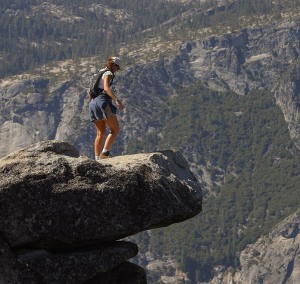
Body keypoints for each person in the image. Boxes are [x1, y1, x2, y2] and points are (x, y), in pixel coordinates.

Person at [89, 56, 124, 160]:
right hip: (102, 101)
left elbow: (91, 91)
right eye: (117, 68)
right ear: (114, 65)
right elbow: (106, 88)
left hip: (93, 103)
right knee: (115, 129)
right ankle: (105, 153)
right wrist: (116, 100)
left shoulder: (97, 74)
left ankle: (96, 158)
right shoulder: (108, 73)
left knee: (100, 133)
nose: (117, 71)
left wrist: (92, 103)